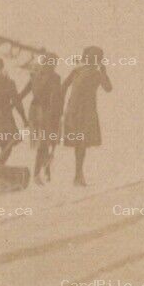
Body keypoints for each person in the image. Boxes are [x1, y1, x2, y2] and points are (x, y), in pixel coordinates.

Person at [61, 46, 113, 186]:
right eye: (91, 56)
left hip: (86, 111)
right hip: (75, 110)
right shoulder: (78, 71)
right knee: (79, 143)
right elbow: (64, 86)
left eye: (95, 57)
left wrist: (104, 71)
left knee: (81, 143)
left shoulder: (95, 74)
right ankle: (78, 175)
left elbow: (108, 88)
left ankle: (78, 174)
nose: (92, 60)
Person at [21, 55, 65, 183]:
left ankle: (45, 170)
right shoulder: (55, 78)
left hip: (36, 112)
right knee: (46, 143)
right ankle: (38, 173)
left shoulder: (35, 76)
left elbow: (23, 93)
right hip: (47, 113)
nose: (53, 65)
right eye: (52, 63)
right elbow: (56, 96)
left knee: (45, 143)